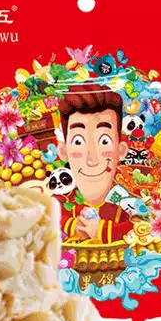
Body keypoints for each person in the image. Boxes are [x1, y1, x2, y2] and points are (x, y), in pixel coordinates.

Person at [57, 83, 134, 243]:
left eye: (104, 141)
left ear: (121, 150)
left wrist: (101, 230)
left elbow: (145, 229)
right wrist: (73, 226)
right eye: (78, 141)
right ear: (63, 151)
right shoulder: (60, 203)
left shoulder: (129, 203)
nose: (92, 160)